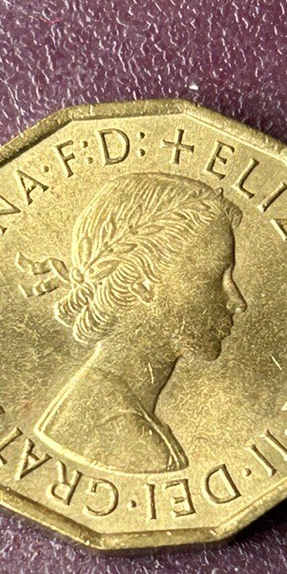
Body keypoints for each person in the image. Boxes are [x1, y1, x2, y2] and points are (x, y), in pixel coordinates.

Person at [34, 173, 245, 474]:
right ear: (142, 283)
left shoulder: (115, 411)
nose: (237, 301)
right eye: (212, 277)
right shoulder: (119, 434)